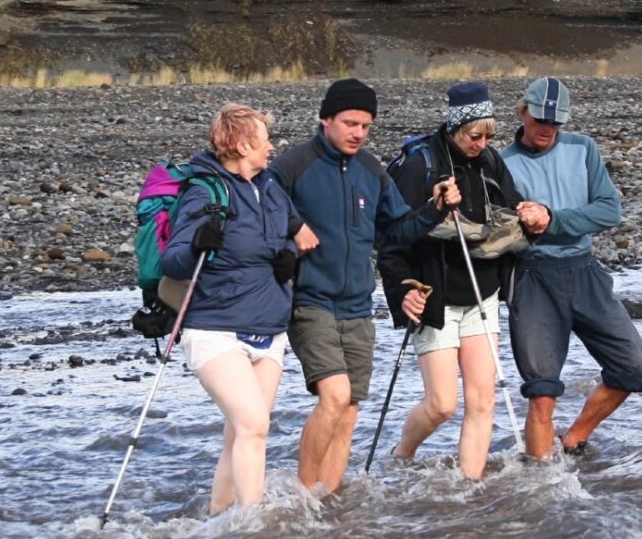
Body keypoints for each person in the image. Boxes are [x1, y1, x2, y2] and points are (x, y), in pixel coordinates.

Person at [271, 78, 460, 496]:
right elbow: (261, 203)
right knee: (335, 396)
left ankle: (330, 499)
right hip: (309, 300)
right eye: (350, 123)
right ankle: (303, 498)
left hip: (358, 306)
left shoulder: (372, 170)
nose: (358, 133)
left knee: (350, 409)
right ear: (325, 119)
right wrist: (294, 225)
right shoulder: (293, 165)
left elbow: (397, 229)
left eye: (366, 126)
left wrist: (435, 209)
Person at [499, 77, 642, 459]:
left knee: (632, 369)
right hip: (533, 280)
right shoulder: (502, 164)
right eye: (540, 120)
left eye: (556, 122)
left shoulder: (583, 149)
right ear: (523, 112)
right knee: (542, 393)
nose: (548, 128)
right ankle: (541, 481)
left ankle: (574, 438)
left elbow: (609, 211)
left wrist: (553, 219)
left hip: (584, 274)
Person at [159, 103, 300, 514]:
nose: (272, 147)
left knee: (240, 434)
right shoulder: (204, 192)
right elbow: (173, 261)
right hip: (215, 330)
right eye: (265, 140)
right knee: (254, 426)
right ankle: (254, 525)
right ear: (242, 145)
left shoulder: (270, 187)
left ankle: (218, 521)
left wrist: (288, 256)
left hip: (269, 328)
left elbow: (287, 235)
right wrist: (196, 244)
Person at [379, 82, 523, 478]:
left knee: (483, 401)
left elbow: (509, 207)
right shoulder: (420, 165)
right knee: (442, 404)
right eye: (475, 136)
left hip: (482, 293)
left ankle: (470, 488)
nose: (482, 144)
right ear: (456, 127)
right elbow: (391, 238)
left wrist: (528, 214)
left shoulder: (489, 161)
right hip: (435, 295)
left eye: (489, 136)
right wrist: (402, 290)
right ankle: (402, 455)